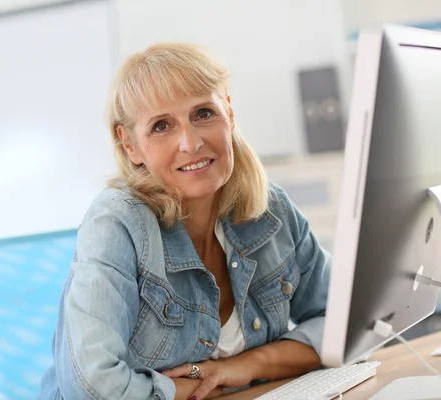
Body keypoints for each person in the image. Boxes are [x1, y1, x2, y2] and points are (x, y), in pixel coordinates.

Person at [39, 43, 330, 400]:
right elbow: (92, 387)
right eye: (162, 125)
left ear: (230, 113)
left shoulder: (272, 210)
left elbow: (345, 322)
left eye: (204, 113)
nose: (191, 143)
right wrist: (187, 390)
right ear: (130, 144)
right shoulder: (117, 224)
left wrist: (246, 365)